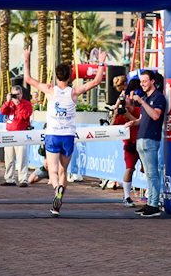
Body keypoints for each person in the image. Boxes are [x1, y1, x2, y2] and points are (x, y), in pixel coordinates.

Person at [23, 48, 108, 216]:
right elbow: (96, 81)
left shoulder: (50, 90)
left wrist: (26, 59)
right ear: (70, 77)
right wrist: (100, 63)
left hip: (52, 135)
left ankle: (57, 189)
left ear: (56, 77)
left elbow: (27, 79)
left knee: (53, 171)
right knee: (63, 171)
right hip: (68, 136)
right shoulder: (74, 92)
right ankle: (57, 206)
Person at [125, 70, 166, 217]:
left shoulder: (158, 97)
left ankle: (154, 204)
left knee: (152, 173)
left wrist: (142, 102)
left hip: (150, 139)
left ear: (152, 81)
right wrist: (133, 122)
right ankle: (150, 202)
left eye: (144, 81)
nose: (142, 84)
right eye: (141, 81)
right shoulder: (146, 98)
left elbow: (156, 115)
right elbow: (142, 119)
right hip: (141, 138)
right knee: (148, 174)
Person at [111, 77, 141, 207]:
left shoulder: (139, 111)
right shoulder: (121, 115)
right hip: (130, 146)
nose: (125, 110)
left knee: (148, 170)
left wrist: (130, 117)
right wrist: (115, 115)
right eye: (124, 108)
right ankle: (127, 197)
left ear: (133, 106)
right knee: (129, 169)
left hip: (142, 143)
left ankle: (152, 195)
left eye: (127, 107)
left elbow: (143, 124)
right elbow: (111, 130)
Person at [0, 84, 33, 187]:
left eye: (17, 94)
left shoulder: (26, 103)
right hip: (10, 133)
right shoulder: (10, 104)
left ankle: (23, 179)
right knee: (9, 158)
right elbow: (2, 111)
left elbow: (27, 115)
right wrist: (7, 101)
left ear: (21, 94)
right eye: (13, 94)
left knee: (22, 157)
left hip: (21, 133)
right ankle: (9, 179)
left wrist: (18, 104)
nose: (15, 96)